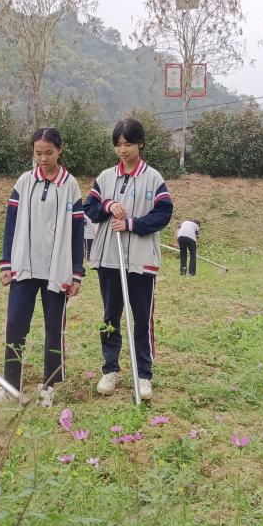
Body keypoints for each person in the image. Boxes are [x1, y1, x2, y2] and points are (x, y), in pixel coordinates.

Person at [0, 128, 85, 406]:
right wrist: (6, 262)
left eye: (49, 153)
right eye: (38, 153)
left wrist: (77, 273)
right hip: (24, 266)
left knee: (54, 328)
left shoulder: (70, 186)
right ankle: (10, 384)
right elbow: (10, 225)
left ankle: (49, 386)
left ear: (60, 150)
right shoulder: (24, 182)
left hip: (57, 269)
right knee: (15, 325)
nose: (43, 159)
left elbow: (77, 230)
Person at [83, 118, 173, 400]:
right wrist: (108, 205)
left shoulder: (153, 178)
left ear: (140, 143)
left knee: (142, 317)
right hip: (109, 259)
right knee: (110, 315)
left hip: (141, 260)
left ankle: (143, 374)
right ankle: (110, 369)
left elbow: (163, 215)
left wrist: (132, 224)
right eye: (118, 145)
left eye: (128, 144)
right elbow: (90, 207)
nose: (123, 150)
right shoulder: (107, 177)